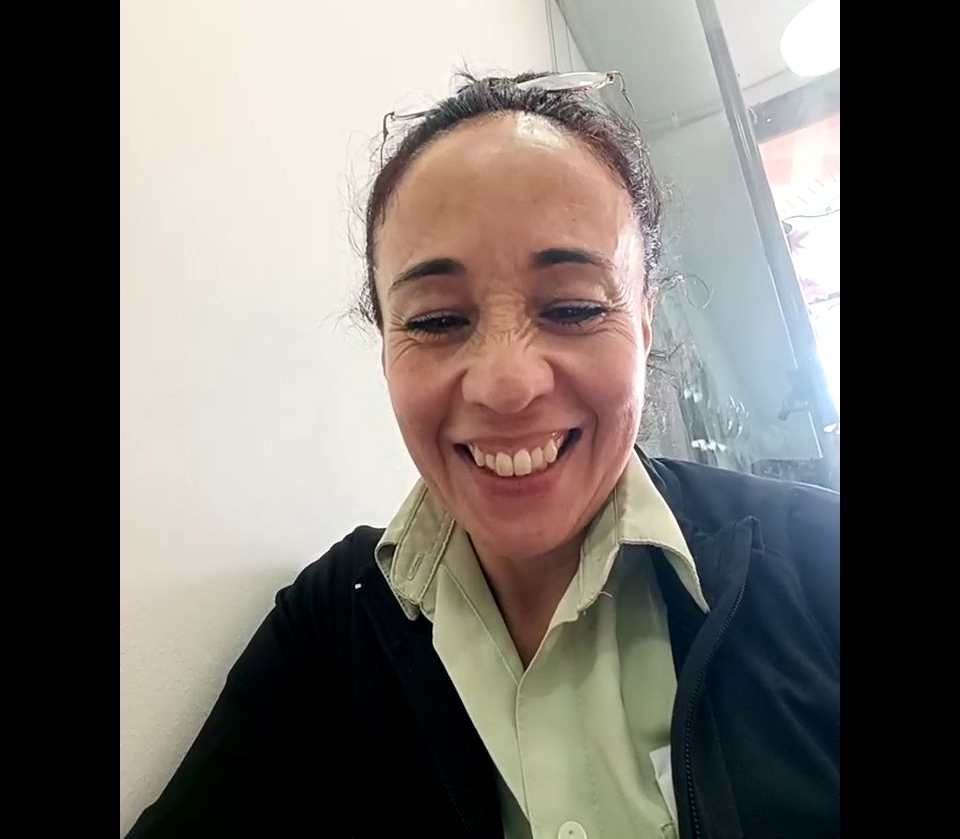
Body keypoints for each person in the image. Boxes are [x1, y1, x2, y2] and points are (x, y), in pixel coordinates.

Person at [126, 72, 840, 839]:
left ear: (643, 324)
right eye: (436, 321)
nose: (507, 383)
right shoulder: (330, 627)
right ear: (385, 346)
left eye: (572, 307)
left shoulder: (817, 560)